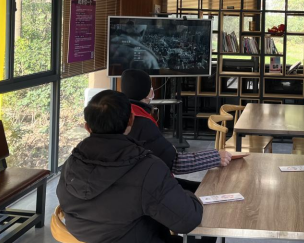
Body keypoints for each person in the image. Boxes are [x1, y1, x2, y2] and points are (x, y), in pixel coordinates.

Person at [57, 90, 203, 243]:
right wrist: (192, 197)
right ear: (131, 120)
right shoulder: (148, 168)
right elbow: (188, 220)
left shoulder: (70, 164)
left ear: (87, 127)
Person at [121, 69, 231, 192]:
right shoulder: (142, 123)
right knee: (211, 190)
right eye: (151, 87)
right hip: (149, 189)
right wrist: (216, 157)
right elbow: (175, 163)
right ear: (148, 93)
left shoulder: (121, 115)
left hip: (136, 183)